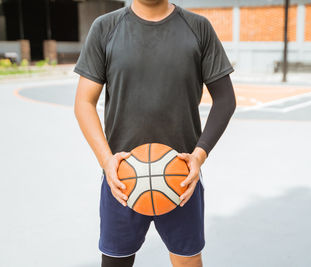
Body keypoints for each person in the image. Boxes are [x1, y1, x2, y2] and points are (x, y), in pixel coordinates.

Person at [73, 0, 236, 266]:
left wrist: (198, 156)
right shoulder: (105, 28)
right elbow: (84, 102)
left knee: (187, 259)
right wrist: (106, 161)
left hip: (181, 176)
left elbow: (225, 100)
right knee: (116, 261)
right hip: (121, 177)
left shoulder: (198, 28)